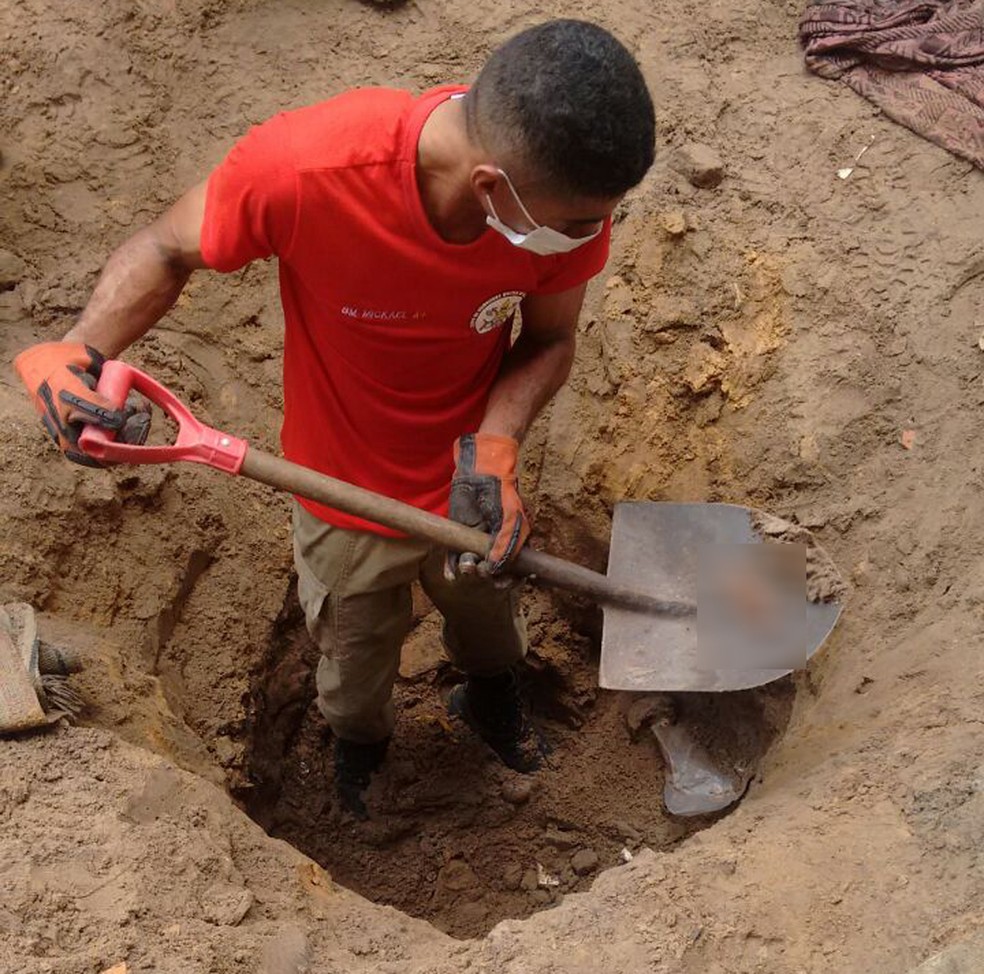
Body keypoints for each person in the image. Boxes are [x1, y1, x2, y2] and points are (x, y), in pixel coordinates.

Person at [14, 19, 656, 818]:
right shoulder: (306, 170)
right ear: (492, 186)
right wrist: (77, 348)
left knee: (491, 620)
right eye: (581, 222)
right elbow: (167, 247)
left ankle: (490, 699)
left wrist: (492, 451)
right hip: (338, 486)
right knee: (354, 663)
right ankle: (362, 748)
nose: (593, 236)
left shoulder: (560, 202)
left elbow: (551, 338)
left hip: (470, 485)